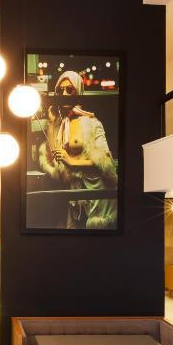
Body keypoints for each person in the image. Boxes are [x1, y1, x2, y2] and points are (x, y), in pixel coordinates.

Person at [50, 70, 117, 229]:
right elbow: (55, 158)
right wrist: (52, 122)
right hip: (76, 193)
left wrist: (72, 162)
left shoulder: (91, 123)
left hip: (97, 189)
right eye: (60, 90)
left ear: (78, 92)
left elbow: (106, 161)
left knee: (98, 231)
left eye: (70, 90)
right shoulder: (61, 124)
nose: (64, 94)